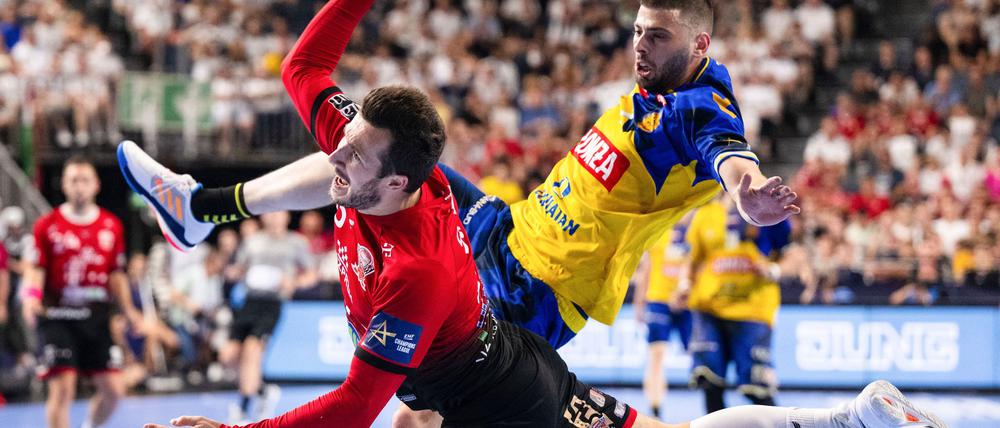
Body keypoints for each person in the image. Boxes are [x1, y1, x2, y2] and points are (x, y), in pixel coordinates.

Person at [123, 1, 941, 427]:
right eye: (637, 30)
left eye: (656, 37)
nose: (639, 47)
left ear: (699, 46)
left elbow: (729, 152)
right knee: (371, 142)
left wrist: (746, 188)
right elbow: (309, 70)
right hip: (508, 226)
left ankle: (843, 422)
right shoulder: (656, 83)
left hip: (536, 293)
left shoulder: (699, 110)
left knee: (420, 405)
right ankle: (200, 209)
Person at [21, 156, 143, 428]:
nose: (79, 186)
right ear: (64, 185)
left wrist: (129, 311)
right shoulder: (47, 225)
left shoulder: (111, 226)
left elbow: (116, 275)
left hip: (96, 317)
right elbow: (36, 268)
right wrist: (31, 297)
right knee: (63, 388)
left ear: (96, 185)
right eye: (73, 180)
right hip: (57, 316)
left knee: (114, 390)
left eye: (85, 180)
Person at [684, 195, 790, 413]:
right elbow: (693, 259)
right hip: (709, 308)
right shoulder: (706, 214)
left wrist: (773, 270)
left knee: (756, 388)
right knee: (709, 381)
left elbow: (793, 254)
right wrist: (684, 285)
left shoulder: (767, 209)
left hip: (753, 310)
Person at [222, 211, 313, 423]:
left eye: (279, 212)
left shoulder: (296, 242)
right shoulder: (252, 241)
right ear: (263, 217)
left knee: (252, 351)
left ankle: (243, 409)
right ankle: (263, 391)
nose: (274, 217)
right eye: (270, 212)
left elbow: (311, 274)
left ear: (287, 216)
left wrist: (294, 283)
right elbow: (240, 268)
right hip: (249, 302)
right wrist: (233, 271)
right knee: (228, 356)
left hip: (272, 304)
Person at [632, 218, 694, 420]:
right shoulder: (658, 231)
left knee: (696, 355)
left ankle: (713, 407)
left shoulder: (694, 231)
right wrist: (639, 303)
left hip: (687, 302)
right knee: (656, 356)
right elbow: (646, 270)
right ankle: (656, 409)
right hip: (658, 300)